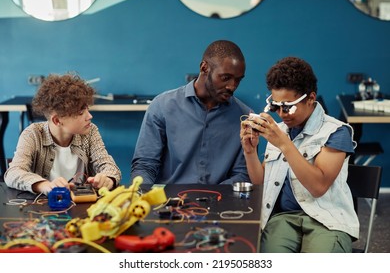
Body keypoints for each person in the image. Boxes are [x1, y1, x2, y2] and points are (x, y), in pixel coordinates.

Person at [240, 56, 359, 253]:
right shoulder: (280, 130)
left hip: (326, 220)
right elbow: (261, 182)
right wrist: (250, 151)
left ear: (311, 98)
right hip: (283, 218)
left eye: (288, 107)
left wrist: (284, 144)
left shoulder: (336, 131)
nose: (281, 113)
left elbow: (318, 187)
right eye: (276, 106)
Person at [131, 40, 252, 184]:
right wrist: (143, 199)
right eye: (225, 78)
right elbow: (145, 165)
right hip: (168, 203)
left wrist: (213, 197)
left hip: (222, 203)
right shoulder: (162, 106)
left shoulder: (244, 117)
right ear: (204, 67)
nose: (232, 86)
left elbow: (242, 174)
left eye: (238, 80)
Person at [4, 73, 121, 195]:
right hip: (42, 208)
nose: (90, 116)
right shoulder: (32, 134)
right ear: (57, 120)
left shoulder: (90, 131)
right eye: (81, 112)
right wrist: (44, 185)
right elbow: (13, 173)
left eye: (88, 109)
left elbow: (109, 166)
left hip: (81, 206)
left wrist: (108, 179)